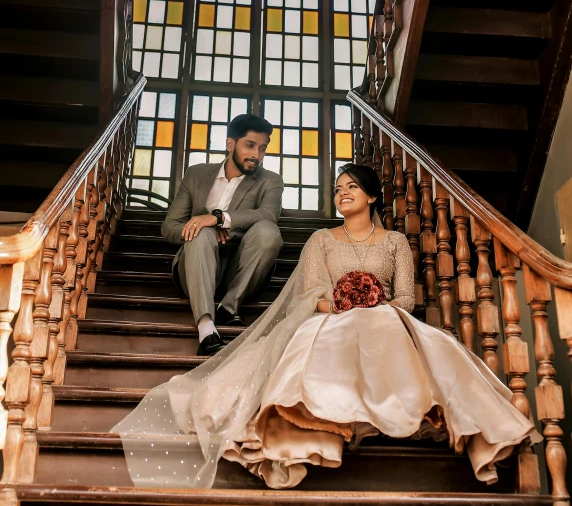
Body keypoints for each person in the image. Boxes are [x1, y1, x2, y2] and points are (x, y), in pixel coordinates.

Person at [114, 163, 541, 490]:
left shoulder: (395, 243)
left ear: (372, 195)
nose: (342, 194)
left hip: (384, 316)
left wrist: (374, 302)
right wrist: (338, 302)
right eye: (337, 189)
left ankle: (411, 408)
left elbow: (407, 301)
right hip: (331, 317)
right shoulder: (320, 239)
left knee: (396, 328)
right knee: (332, 336)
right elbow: (308, 295)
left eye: (351, 186)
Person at [161, 113, 284, 357]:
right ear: (231, 144)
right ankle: (207, 330)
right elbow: (170, 227)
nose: (257, 155)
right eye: (250, 145)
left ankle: (229, 308)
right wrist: (204, 227)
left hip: (240, 271)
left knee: (269, 231)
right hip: (195, 267)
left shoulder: (270, 180)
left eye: (262, 148)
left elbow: (268, 214)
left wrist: (220, 220)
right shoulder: (197, 174)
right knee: (200, 232)